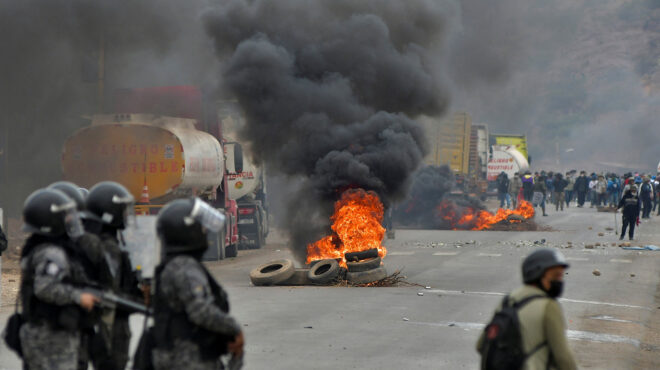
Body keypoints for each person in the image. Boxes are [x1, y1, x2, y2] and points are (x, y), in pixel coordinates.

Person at [150, 198, 244, 370]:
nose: (204, 231)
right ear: (188, 231)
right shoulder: (184, 267)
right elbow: (199, 310)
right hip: (188, 360)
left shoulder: (177, 265)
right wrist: (233, 328)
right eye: (200, 227)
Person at [18, 188, 100, 370]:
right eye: (67, 215)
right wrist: (79, 296)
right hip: (51, 336)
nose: (71, 219)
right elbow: (45, 287)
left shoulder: (37, 247)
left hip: (43, 332)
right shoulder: (52, 252)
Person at [477, 249, 577, 370]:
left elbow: (481, 345)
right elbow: (563, 358)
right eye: (555, 275)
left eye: (560, 276)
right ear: (537, 274)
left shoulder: (509, 300)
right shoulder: (549, 306)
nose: (559, 281)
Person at [85, 181, 144, 370]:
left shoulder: (97, 242)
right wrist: (141, 300)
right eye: (123, 210)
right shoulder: (108, 247)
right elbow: (110, 291)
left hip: (104, 325)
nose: (127, 215)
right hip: (110, 327)